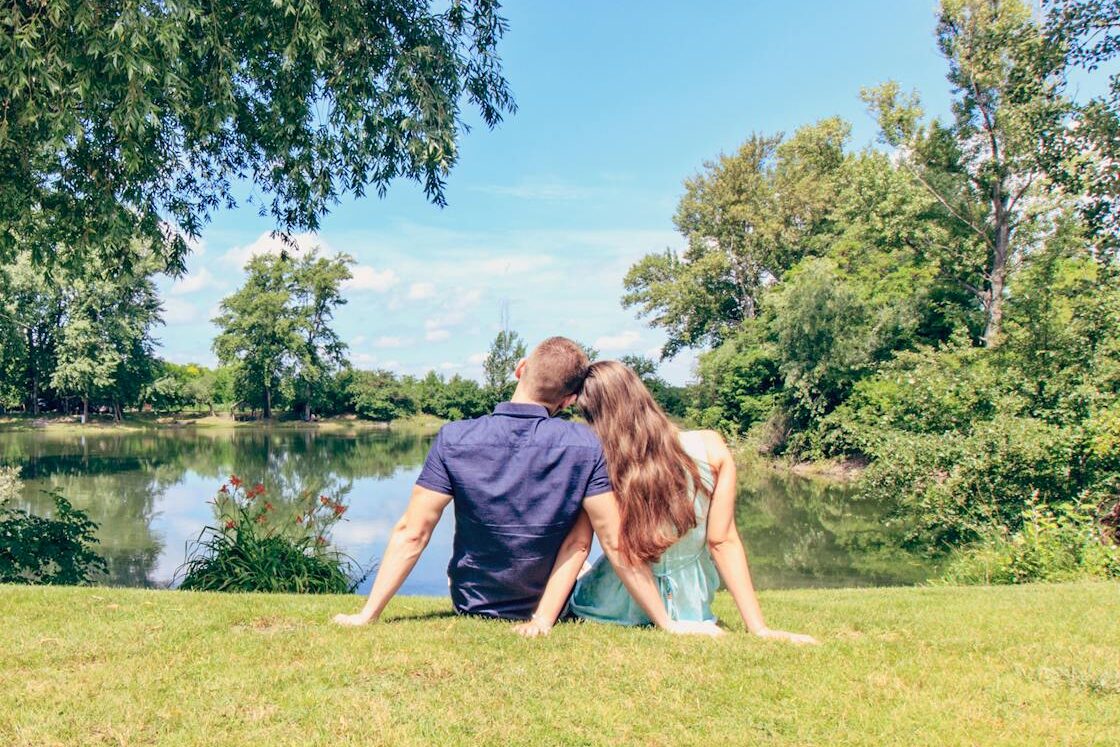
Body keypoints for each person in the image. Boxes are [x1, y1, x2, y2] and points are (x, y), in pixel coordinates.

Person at [333, 337, 716, 634]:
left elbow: (412, 533)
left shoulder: (454, 438)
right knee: (581, 562)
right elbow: (609, 542)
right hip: (550, 604)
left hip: (472, 603)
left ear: (520, 369)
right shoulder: (585, 446)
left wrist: (367, 614)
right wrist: (666, 623)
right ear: (567, 400)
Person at [513, 360, 817, 643]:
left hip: (610, 606)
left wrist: (543, 619)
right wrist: (759, 628)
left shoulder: (598, 461)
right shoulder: (711, 446)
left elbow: (578, 545)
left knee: (584, 564)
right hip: (688, 609)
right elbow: (722, 542)